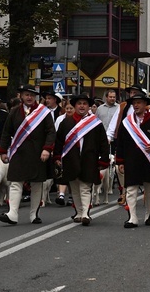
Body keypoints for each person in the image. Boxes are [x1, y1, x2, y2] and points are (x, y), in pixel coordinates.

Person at [0, 85, 56, 225]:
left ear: (35, 96)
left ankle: (33, 215)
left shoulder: (44, 112)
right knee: (15, 183)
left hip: (38, 153)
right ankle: (12, 214)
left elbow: (51, 132)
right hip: (19, 152)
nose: (29, 97)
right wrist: (3, 150)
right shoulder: (14, 112)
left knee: (36, 184)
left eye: (31, 95)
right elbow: (6, 132)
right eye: (26, 95)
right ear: (21, 96)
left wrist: (47, 149)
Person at [54, 93, 110, 226]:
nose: (82, 106)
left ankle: (86, 213)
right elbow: (58, 141)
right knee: (74, 187)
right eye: (79, 104)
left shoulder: (95, 123)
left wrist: (104, 159)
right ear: (74, 106)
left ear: (89, 106)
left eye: (85, 104)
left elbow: (103, 143)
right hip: (70, 158)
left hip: (89, 158)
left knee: (85, 187)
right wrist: (57, 156)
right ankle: (79, 212)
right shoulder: (66, 122)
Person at [115, 92, 150, 228]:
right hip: (132, 160)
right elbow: (120, 142)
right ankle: (132, 218)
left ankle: (148, 215)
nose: (136, 105)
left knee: (149, 189)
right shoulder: (127, 122)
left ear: (146, 104)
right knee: (131, 189)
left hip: (149, 160)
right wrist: (120, 161)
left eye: (139, 102)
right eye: (134, 103)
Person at [54, 101, 75, 206]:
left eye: (71, 108)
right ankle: (61, 194)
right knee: (63, 172)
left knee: (72, 173)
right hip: (63, 149)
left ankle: (72, 196)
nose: (69, 110)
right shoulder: (60, 119)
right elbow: (57, 135)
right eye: (67, 108)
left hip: (74, 150)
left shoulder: (78, 120)